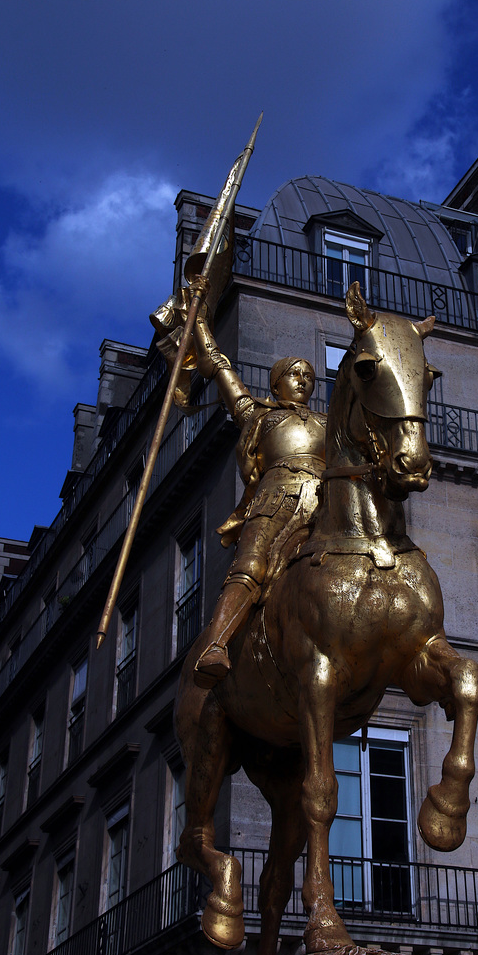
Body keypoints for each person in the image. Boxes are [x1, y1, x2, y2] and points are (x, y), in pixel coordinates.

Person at [154, 276, 326, 683]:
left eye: (309, 376)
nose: (303, 379)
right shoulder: (259, 414)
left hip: (326, 496)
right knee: (250, 563)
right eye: (294, 373)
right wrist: (197, 321)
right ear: (276, 381)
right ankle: (216, 643)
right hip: (276, 496)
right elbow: (219, 367)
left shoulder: (328, 422)